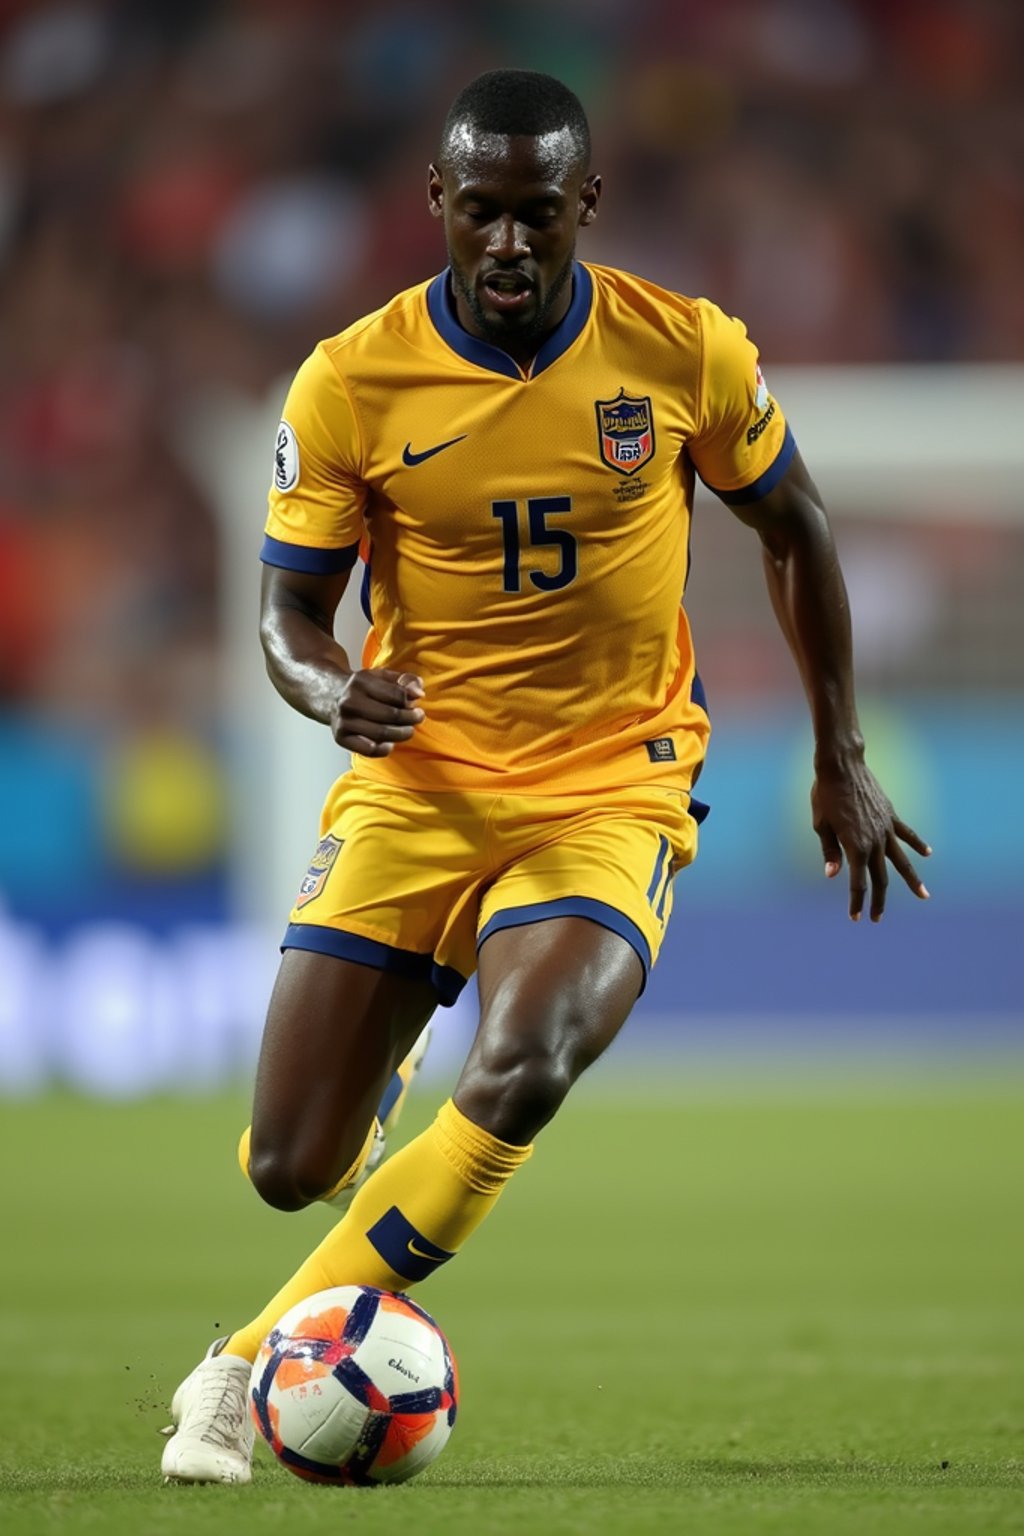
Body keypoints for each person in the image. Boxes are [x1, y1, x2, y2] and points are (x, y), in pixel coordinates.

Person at [160, 68, 930, 1485]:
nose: (509, 244)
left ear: (587, 206)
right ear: (438, 207)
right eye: (483, 215)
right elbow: (285, 617)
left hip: (608, 782)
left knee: (524, 1065)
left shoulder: (683, 349)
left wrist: (842, 758)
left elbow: (797, 526)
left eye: (538, 215)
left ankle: (239, 1368)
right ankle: (366, 1134)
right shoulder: (351, 379)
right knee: (285, 1163)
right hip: (420, 786)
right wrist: (338, 690)